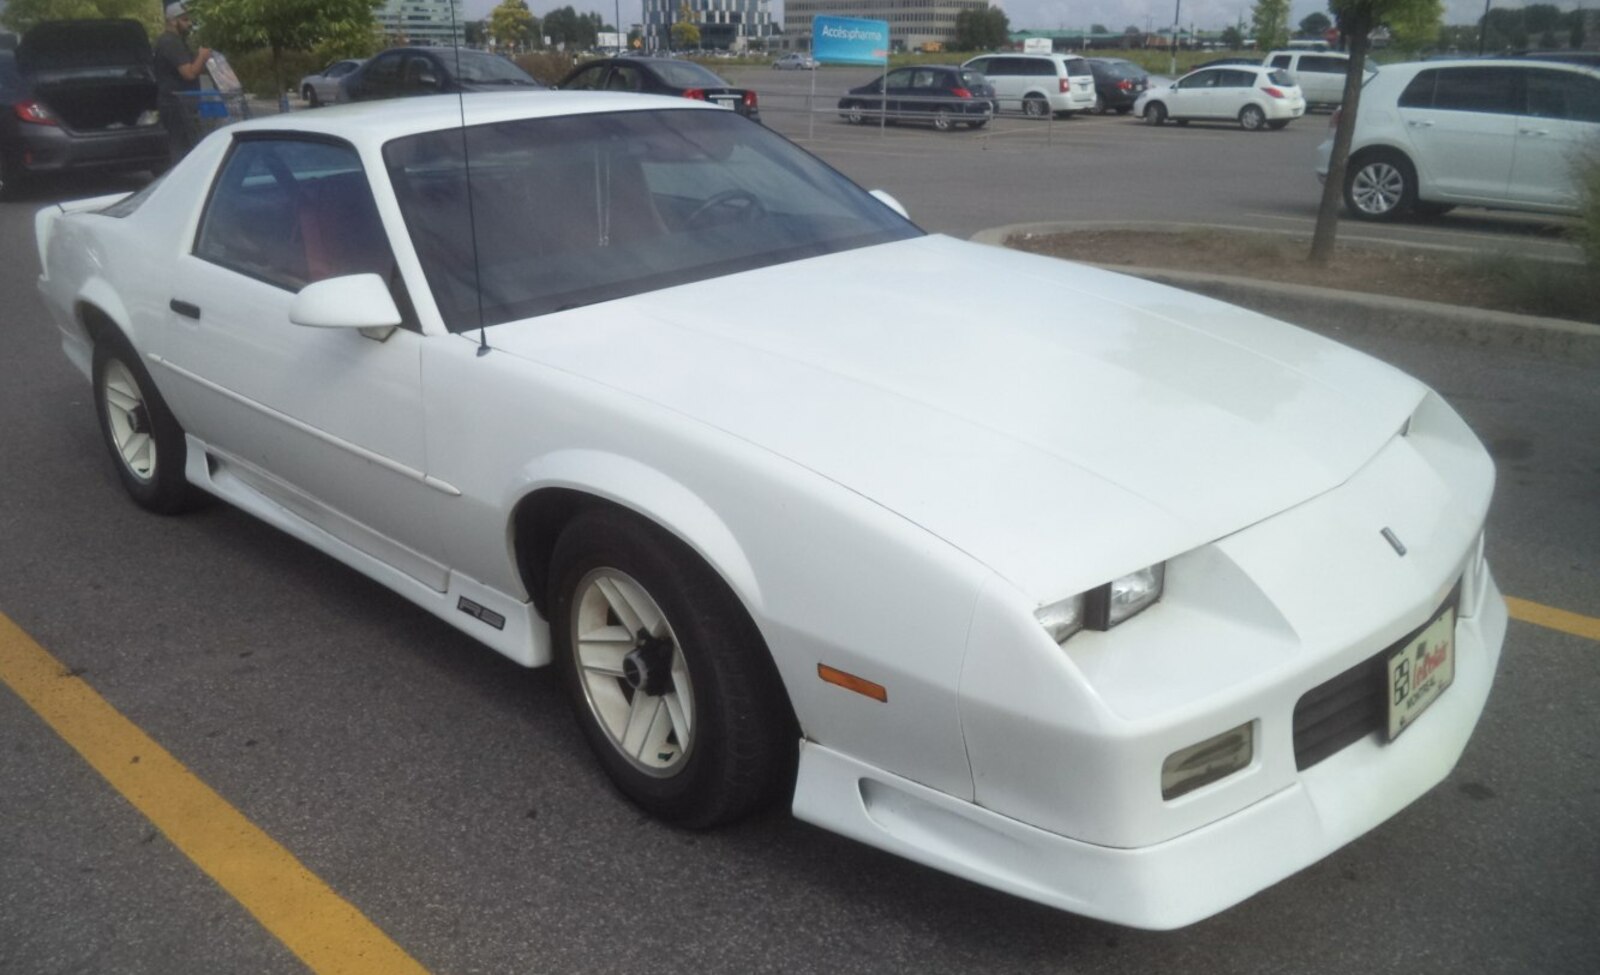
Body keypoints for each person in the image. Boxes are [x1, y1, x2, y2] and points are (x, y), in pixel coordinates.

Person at [153, 2, 212, 159]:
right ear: (173, 21)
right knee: (181, 148)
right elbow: (189, 73)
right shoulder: (170, 42)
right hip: (176, 105)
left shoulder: (178, 42)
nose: (189, 24)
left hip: (181, 104)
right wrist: (202, 56)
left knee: (186, 146)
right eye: (185, 20)